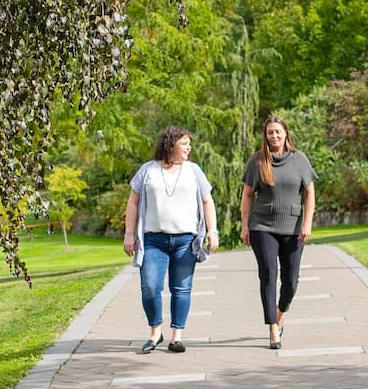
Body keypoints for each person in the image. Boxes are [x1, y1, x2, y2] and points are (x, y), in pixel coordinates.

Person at [122, 127, 219, 354]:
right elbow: (132, 203)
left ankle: (177, 336)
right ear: (171, 144)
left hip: (186, 240)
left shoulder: (193, 171)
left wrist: (212, 231)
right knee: (150, 287)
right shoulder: (148, 170)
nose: (189, 148)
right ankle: (156, 331)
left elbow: (207, 201)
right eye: (184, 143)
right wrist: (129, 234)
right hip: (153, 239)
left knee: (181, 288)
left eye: (189, 144)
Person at [238, 115, 316, 349]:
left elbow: (309, 193)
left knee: (291, 280)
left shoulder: (300, 160)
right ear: (266, 135)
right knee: (269, 275)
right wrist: (244, 225)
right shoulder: (257, 161)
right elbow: (247, 195)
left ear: (285, 134)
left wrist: (307, 223)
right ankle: (273, 328)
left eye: (277, 132)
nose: (274, 136)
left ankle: (280, 313)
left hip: (293, 228)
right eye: (270, 132)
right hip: (263, 226)